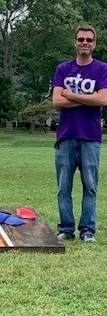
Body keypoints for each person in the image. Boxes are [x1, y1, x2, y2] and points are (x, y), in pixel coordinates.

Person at [52, 24, 107, 243]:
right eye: (81, 39)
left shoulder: (102, 69)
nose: (85, 43)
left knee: (90, 186)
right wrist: (88, 98)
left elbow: (103, 99)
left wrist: (70, 96)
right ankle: (66, 229)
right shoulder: (63, 69)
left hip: (90, 137)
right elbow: (56, 101)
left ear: (94, 44)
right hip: (65, 136)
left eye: (89, 40)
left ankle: (87, 231)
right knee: (63, 187)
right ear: (75, 42)